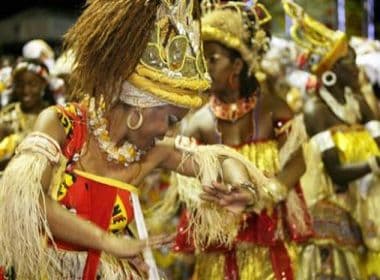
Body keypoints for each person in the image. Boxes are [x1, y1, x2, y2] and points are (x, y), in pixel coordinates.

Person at [0, 0, 272, 279]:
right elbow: (27, 200)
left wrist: (242, 187)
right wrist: (108, 242)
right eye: (170, 120)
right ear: (141, 109)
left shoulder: (148, 154)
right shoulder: (62, 125)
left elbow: (220, 158)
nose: (168, 133)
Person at [173, 2, 311, 279]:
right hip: (219, 245)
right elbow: (189, 185)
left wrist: (265, 193)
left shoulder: (274, 109)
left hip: (268, 242)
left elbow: (297, 163)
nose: (204, 67)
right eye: (203, 59)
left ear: (237, 64)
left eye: (213, 59)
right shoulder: (196, 123)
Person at [284, 1, 380, 278]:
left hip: (366, 202)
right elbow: (336, 171)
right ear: (331, 70)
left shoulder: (359, 102)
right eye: (349, 60)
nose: (357, 67)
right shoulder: (317, 111)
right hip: (332, 207)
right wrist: (374, 164)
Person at [0, 58, 52, 169]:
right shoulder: (6, 118)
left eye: (32, 84)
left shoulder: (54, 116)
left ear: (43, 85)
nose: (26, 90)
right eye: (20, 85)